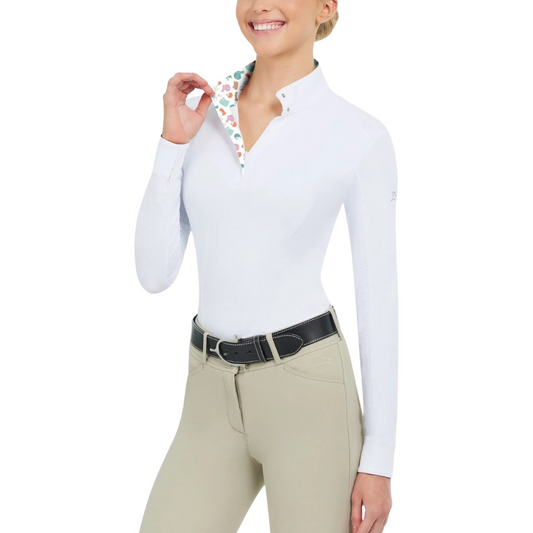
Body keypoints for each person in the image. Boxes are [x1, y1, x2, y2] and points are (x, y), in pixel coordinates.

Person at [134, 1, 398, 532]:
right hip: (208, 393)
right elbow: (154, 274)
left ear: (325, 7)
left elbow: (379, 301)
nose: (261, 4)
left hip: (308, 397)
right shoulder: (202, 116)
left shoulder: (358, 135)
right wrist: (171, 144)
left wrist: (379, 458)